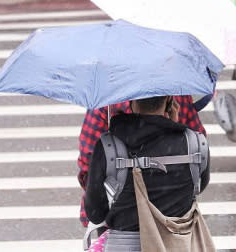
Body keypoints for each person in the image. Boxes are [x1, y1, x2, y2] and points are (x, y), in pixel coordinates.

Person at [85, 95, 211, 250]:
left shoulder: (109, 146)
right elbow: (197, 186)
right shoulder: (195, 144)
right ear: (169, 102)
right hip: (177, 244)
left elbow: (95, 212)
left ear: (131, 103)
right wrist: (173, 127)